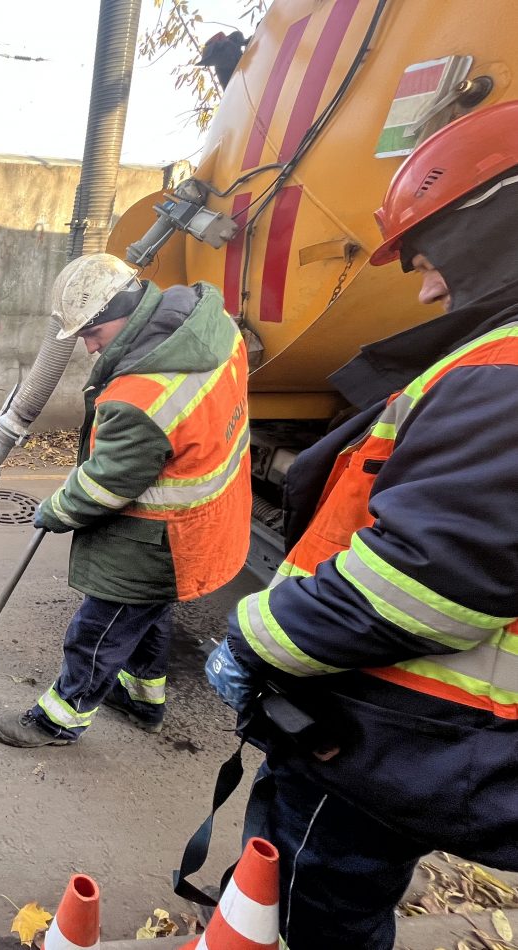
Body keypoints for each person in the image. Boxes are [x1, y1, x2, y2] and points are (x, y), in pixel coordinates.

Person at [205, 100, 518, 950]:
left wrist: (252, 637)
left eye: (427, 256)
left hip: (401, 733)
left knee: (315, 907)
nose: (421, 286)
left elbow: (419, 582)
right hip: (440, 732)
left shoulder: (500, 371)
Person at [0, 253, 251, 748]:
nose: (89, 348)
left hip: (158, 539)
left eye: (93, 334)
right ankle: (142, 698)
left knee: (99, 631)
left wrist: (57, 510)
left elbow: (106, 482)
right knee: (148, 614)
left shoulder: (141, 395)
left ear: (125, 312)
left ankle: (60, 720)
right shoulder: (213, 326)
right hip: (208, 517)